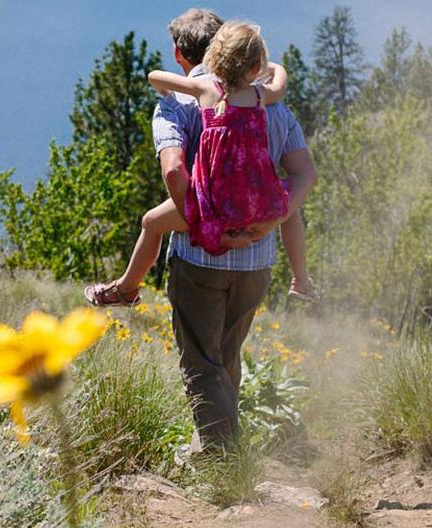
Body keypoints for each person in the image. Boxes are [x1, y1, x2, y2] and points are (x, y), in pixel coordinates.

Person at [139, 8, 321, 451]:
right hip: (257, 262)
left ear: (188, 55)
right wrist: (271, 222)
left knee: (202, 364)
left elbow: (175, 171)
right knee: (226, 357)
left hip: (202, 252)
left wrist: (205, 225)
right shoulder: (270, 104)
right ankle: (221, 446)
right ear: (255, 65)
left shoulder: (190, 98)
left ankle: (225, 464)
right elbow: (304, 175)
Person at [84, 22, 316, 307]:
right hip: (255, 198)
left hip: (214, 201)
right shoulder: (260, 96)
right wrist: (271, 68)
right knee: (287, 208)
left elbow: (155, 78)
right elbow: (280, 82)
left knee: (151, 222)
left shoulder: (204, 89)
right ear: (255, 67)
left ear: (213, 61)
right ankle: (301, 279)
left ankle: (127, 288)